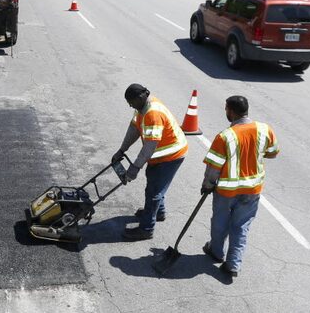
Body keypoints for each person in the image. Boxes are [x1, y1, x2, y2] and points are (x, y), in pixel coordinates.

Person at [201, 95, 279, 279]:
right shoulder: (264, 129)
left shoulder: (225, 136)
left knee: (220, 222)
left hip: (227, 191)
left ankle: (216, 252)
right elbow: (273, 153)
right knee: (241, 226)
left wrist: (207, 185)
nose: (225, 112)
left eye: (226, 109)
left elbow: (213, 167)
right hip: (252, 190)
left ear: (231, 111)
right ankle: (233, 264)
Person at [111, 84, 188, 241]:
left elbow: (150, 146)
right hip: (161, 154)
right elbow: (135, 128)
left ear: (140, 97)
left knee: (153, 192)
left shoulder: (152, 113)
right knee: (156, 183)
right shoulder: (142, 107)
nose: (130, 105)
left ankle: (146, 229)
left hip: (171, 155)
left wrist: (134, 168)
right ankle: (158, 212)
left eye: (131, 102)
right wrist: (122, 150)